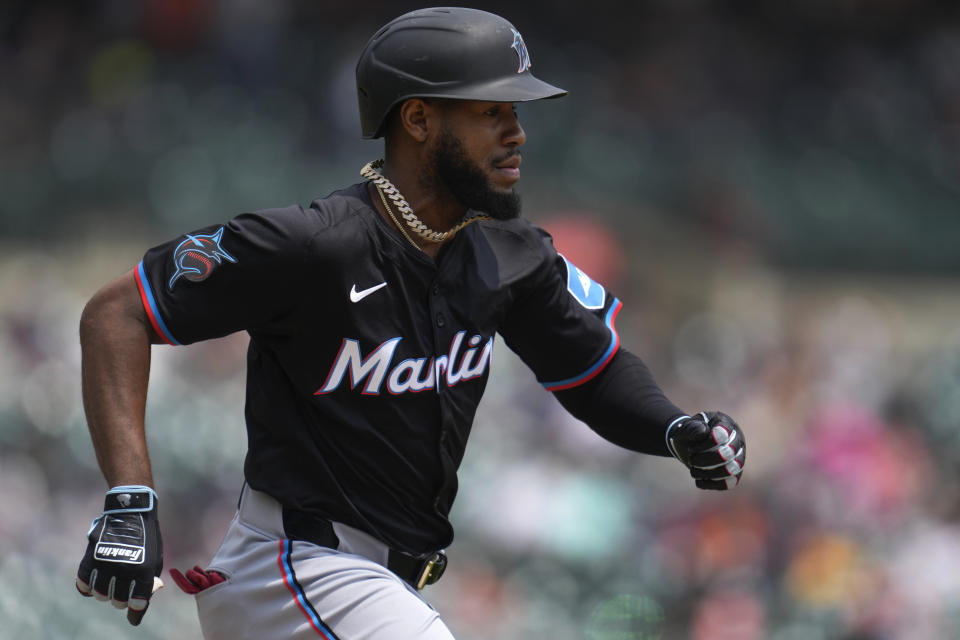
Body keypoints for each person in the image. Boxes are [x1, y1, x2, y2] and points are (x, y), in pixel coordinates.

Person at [75, 7, 746, 639]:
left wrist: (672, 427)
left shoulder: (511, 255)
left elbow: (592, 375)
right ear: (419, 119)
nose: (517, 132)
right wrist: (130, 499)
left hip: (382, 584)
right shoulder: (314, 245)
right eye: (491, 112)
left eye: (515, 111)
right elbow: (118, 313)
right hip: (297, 568)